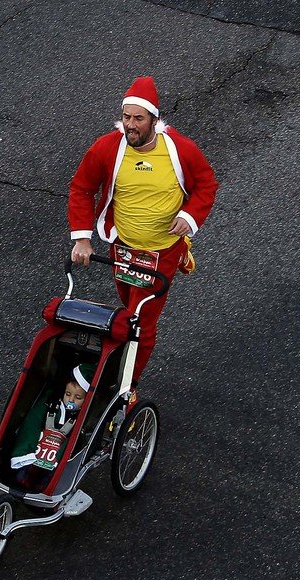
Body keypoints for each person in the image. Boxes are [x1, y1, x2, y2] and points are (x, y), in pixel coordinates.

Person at [68, 76, 218, 399]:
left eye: (138, 119)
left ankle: (124, 386)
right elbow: (82, 187)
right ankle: (119, 361)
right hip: (122, 249)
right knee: (128, 308)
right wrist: (81, 238)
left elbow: (206, 184)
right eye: (126, 117)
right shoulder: (108, 148)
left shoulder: (180, 151)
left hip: (161, 253)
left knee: (140, 322)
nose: (130, 126)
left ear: (154, 119)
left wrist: (188, 217)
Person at [10, 364, 95, 493]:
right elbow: (33, 421)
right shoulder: (52, 403)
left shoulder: (82, 415)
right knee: (22, 474)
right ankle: (26, 475)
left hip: (57, 454)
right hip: (39, 447)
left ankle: (43, 483)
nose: (71, 400)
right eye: (68, 394)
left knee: (47, 480)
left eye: (78, 398)